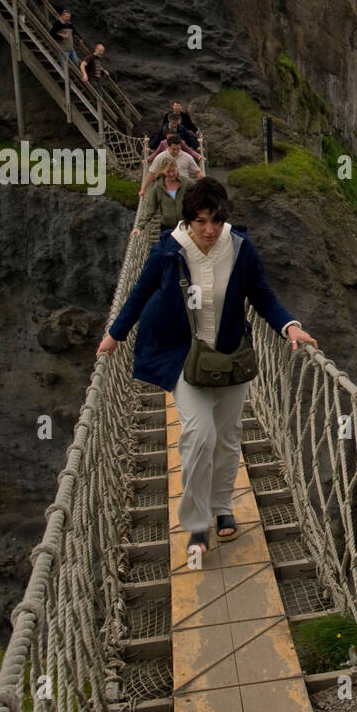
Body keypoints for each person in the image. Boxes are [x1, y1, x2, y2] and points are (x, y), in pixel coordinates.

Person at [97, 178, 317, 558]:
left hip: (230, 354)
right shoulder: (168, 251)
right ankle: (197, 522)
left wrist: (289, 326)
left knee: (229, 437)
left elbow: (262, 296)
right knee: (200, 435)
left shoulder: (240, 249)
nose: (210, 230)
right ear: (188, 220)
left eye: (215, 220)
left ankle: (222, 508)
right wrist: (114, 335)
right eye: (200, 221)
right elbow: (139, 293)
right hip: (182, 355)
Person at [132, 164, 186, 236]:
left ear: (177, 170)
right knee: (168, 247)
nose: (171, 174)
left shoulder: (186, 183)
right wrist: (139, 227)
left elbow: (198, 197)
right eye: (168, 172)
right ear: (163, 171)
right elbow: (150, 208)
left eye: (173, 171)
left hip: (185, 226)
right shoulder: (158, 187)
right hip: (167, 227)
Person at [51, 8, 80, 73]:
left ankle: (72, 76)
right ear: (62, 16)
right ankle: (65, 79)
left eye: (69, 17)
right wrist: (61, 36)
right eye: (66, 16)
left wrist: (80, 38)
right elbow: (52, 34)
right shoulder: (57, 24)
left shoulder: (69, 24)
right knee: (64, 66)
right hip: (63, 49)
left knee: (76, 63)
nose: (68, 18)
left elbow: (75, 31)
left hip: (71, 48)